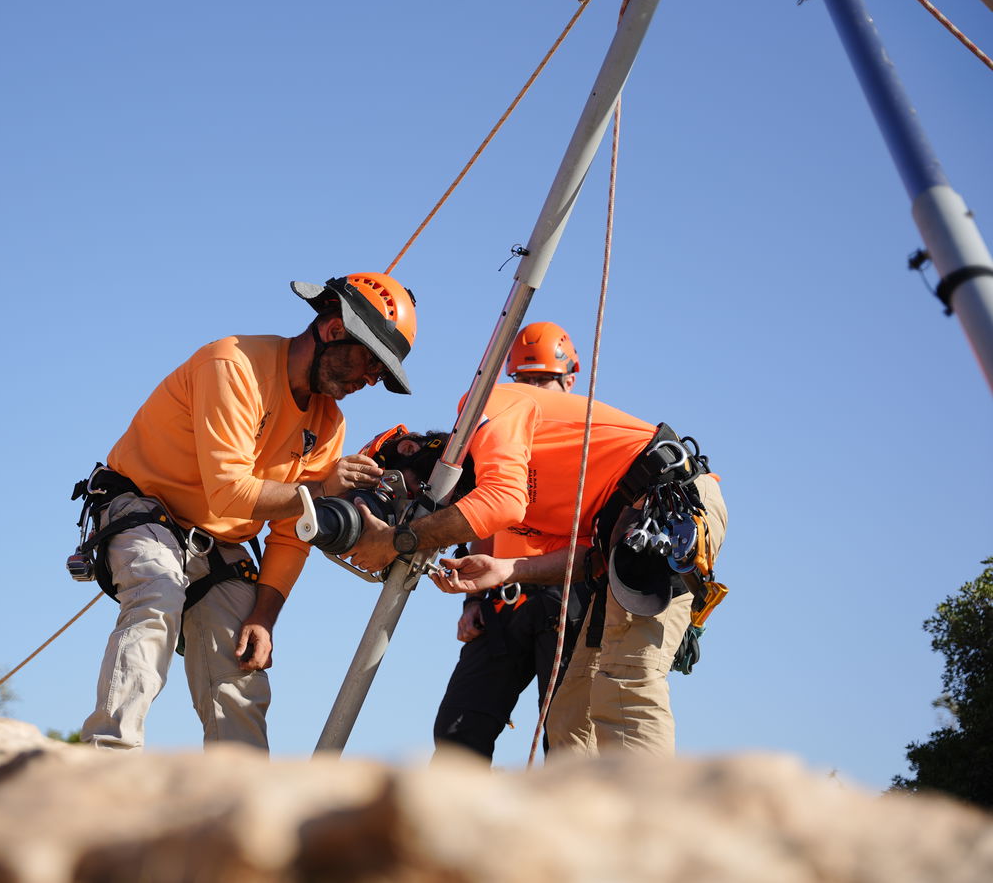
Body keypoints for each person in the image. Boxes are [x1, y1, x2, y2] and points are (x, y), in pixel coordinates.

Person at [344, 322, 727, 758]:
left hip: (666, 503)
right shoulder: (524, 485)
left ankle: (648, 821)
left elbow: (503, 500)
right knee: (569, 713)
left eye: (411, 494)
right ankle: (575, 820)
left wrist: (397, 541)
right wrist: (508, 569)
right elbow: (589, 559)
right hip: (623, 527)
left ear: (411, 451)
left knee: (626, 680)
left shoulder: (491, 403)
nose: (423, 509)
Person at [76, 273, 418, 751]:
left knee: (241, 669)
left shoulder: (328, 423)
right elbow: (230, 494)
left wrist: (264, 614)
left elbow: (294, 530)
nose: (370, 379)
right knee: (157, 596)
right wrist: (320, 487)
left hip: (220, 544)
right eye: (370, 360)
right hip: (144, 509)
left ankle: (239, 803)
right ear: (334, 329)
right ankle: (106, 760)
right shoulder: (234, 364)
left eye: (381, 373)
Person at [429, 323, 591, 762]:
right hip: (505, 599)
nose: (533, 390)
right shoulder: (502, 427)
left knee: (567, 737)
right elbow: (484, 511)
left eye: (544, 381)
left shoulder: (588, 438)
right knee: (457, 731)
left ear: (570, 382)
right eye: (525, 381)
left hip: (567, 595)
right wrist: (472, 601)